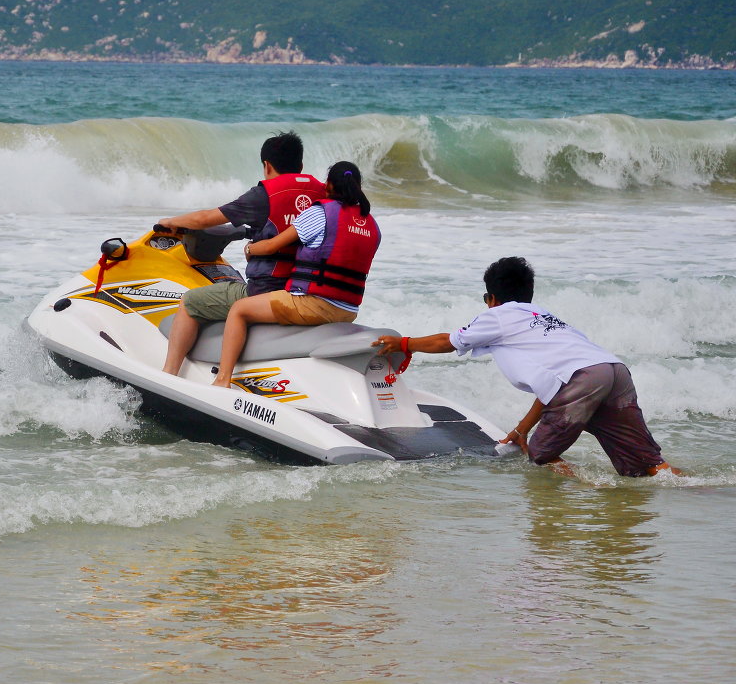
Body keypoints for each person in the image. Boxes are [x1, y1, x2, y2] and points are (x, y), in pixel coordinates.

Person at [372, 256, 679, 477]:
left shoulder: (498, 315)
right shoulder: (545, 317)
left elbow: (448, 342)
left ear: (492, 298)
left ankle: (592, 495)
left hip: (582, 379)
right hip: (612, 371)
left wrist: (402, 344)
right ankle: (693, 487)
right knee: (646, 465)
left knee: (541, 458)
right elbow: (553, 388)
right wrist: (522, 430)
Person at [159, 131, 326, 375]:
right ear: (300, 165)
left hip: (266, 290)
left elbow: (205, 218)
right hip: (305, 290)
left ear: (266, 166)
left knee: (190, 302)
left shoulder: (264, 195)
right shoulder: (324, 193)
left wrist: (170, 221)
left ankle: (169, 375)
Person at [211, 161, 381, 388]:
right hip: (348, 310)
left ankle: (222, 379)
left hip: (314, 304)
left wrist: (250, 249)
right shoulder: (371, 224)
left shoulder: (320, 213)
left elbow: (272, 246)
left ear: (328, 185)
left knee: (239, 310)